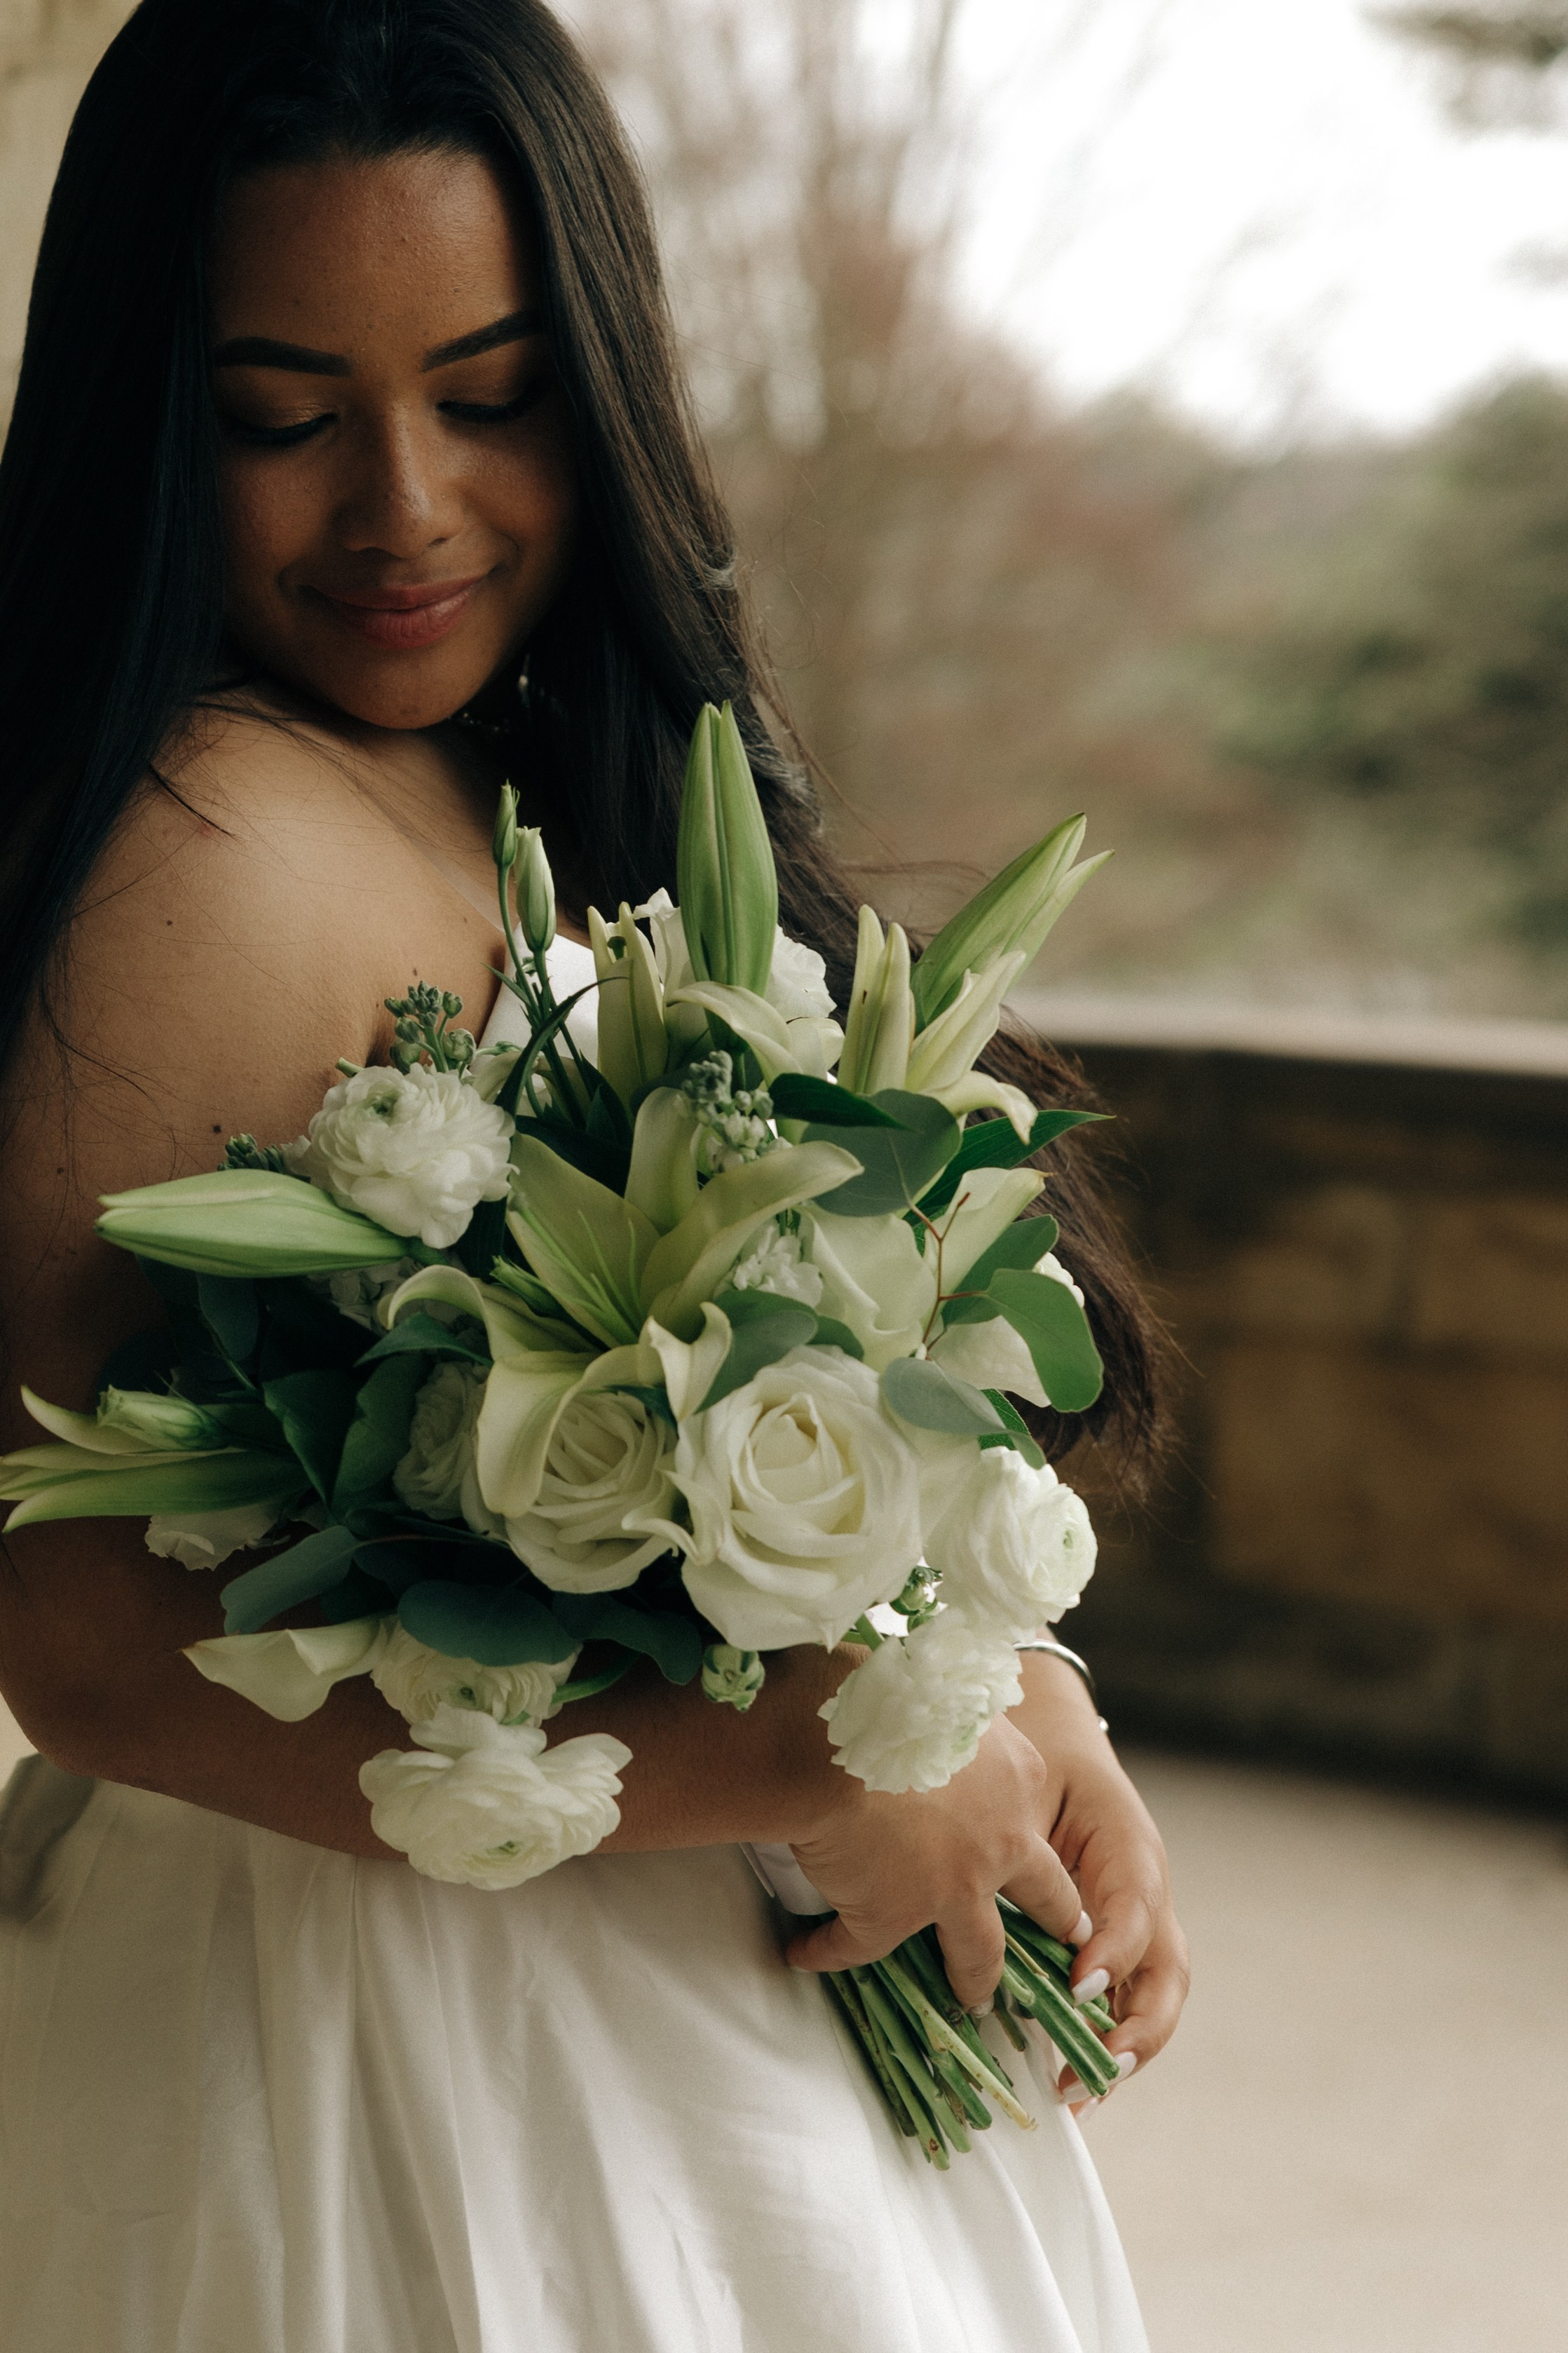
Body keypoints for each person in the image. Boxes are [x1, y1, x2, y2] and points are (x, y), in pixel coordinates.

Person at [0, 4, 1188, 2347]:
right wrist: (822, 1767)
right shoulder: (188, 840)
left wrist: (987, 1684)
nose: (404, 507)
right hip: (365, 2014)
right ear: (152, 412)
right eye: (281, 417)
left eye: (491, 388)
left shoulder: (528, 777)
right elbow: (81, 1632)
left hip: (657, 1962)